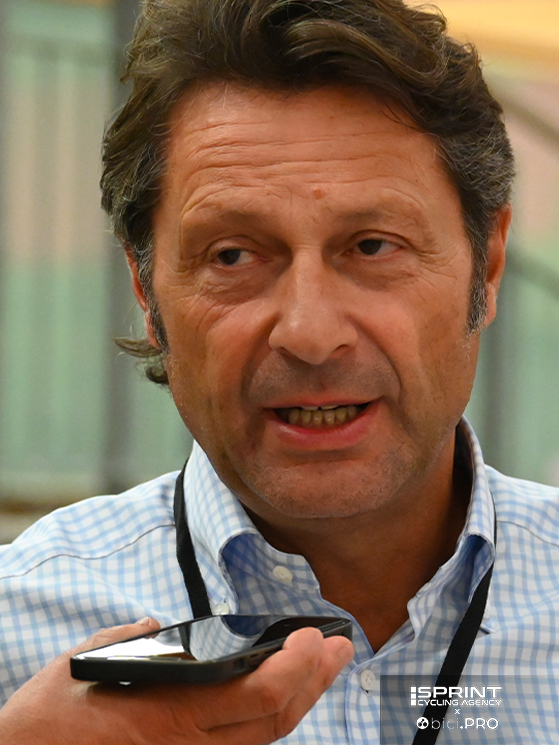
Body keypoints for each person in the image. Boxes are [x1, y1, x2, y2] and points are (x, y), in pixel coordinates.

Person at [1, 0, 558, 742]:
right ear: (145, 291)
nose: (309, 334)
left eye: (372, 246)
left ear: (485, 266)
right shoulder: (18, 637)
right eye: (232, 255)